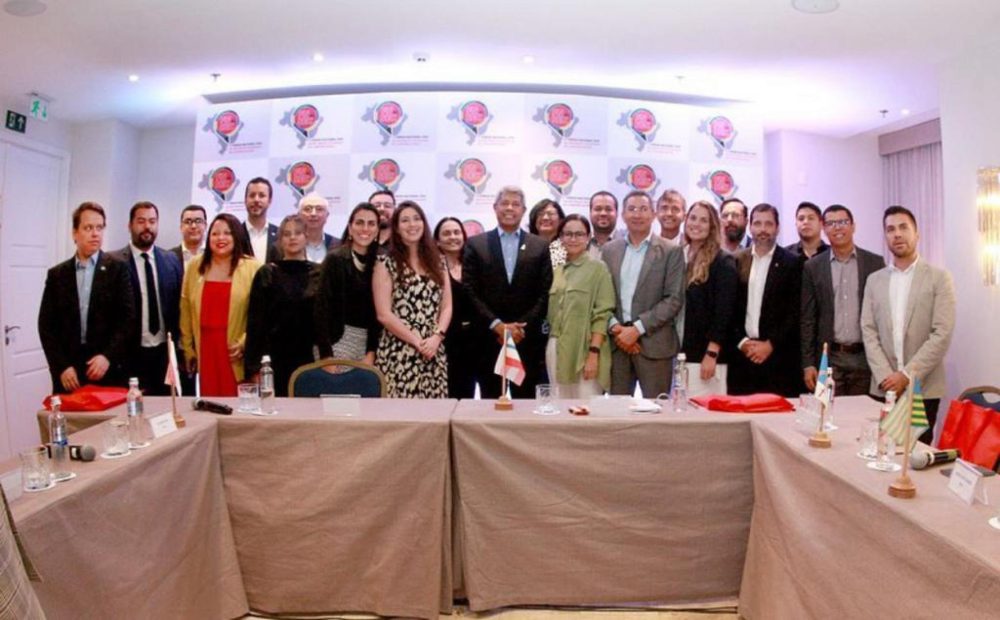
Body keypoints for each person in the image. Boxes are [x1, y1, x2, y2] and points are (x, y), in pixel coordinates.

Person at [861, 205, 955, 444]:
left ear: (917, 233)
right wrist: (887, 377)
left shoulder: (939, 278)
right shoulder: (874, 281)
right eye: (890, 229)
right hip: (884, 388)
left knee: (917, 456)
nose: (897, 234)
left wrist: (906, 376)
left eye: (903, 227)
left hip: (923, 387)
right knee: (881, 452)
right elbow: (868, 331)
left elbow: (942, 333)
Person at [464, 186, 553, 398]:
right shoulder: (476, 244)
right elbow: (470, 290)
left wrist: (520, 328)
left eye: (516, 204)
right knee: (491, 406)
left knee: (527, 407)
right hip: (489, 342)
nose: (510, 208)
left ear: (524, 210)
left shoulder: (539, 246)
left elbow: (545, 292)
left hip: (526, 341)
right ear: (495, 208)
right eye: (505, 203)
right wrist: (497, 326)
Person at [38, 202, 135, 393]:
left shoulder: (118, 269)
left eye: (99, 227)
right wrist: (62, 366)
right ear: (75, 233)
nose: (95, 234)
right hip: (69, 372)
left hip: (106, 368)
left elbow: (128, 319)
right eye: (88, 228)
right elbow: (46, 326)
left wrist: (107, 356)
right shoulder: (57, 275)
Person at [602, 190, 685, 398]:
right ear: (623, 215)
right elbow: (601, 296)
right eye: (631, 209)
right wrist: (615, 327)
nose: (637, 214)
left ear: (653, 214)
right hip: (617, 344)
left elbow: (673, 299)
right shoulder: (609, 250)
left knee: (657, 409)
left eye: (643, 209)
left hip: (655, 345)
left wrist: (637, 329)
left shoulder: (671, 251)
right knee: (617, 411)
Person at [801, 204, 884, 395]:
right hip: (830, 358)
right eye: (831, 223)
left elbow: (883, 315)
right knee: (830, 411)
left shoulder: (874, 263)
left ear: (853, 226)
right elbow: (808, 319)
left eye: (843, 222)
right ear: (824, 229)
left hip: (865, 358)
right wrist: (808, 363)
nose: (837, 227)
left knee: (864, 412)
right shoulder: (813, 267)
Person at [373, 201, 452, 398]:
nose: (412, 224)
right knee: (400, 412)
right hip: (399, 350)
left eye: (417, 219)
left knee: (434, 411)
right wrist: (417, 341)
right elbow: (383, 314)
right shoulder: (385, 263)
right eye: (405, 220)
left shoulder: (439, 261)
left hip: (433, 350)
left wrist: (436, 338)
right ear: (396, 228)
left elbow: (447, 306)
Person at [180, 213, 262, 396]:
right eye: (215, 233)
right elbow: (185, 309)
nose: (220, 238)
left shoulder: (253, 267)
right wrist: (188, 348)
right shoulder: (195, 265)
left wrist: (245, 342)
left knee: (237, 404)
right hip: (205, 348)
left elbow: (261, 315)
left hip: (235, 350)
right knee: (210, 403)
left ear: (237, 236)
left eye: (227, 233)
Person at [729, 203, 803, 396]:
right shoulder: (736, 260)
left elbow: (794, 312)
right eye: (757, 223)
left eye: (768, 224)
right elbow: (729, 309)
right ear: (750, 227)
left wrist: (770, 345)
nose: (763, 229)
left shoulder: (793, 263)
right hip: (741, 358)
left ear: (777, 228)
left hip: (778, 359)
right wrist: (742, 342)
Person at [244, 215, 319, 396]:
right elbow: (255, 324)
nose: (292, 238)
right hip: (273, 359)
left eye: (298, 233)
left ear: (307, 236)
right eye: (287, 234)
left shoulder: (319, 273)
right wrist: (254, 367)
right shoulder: (266, 273)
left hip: (309, 357)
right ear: (280, 239)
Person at [115, 201, 184, 395]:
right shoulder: (114, 262)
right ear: (130, 225)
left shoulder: (171, 260)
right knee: (134, 408)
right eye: (141, 221)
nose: (147, 227)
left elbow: (179, 306)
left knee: (167, 408)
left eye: (152, 221)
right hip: (130, 355)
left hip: (164, 354)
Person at [546, 215, 615, 397]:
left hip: (584, 349)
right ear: (560, 237)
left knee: (586, 408)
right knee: (559, 406)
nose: (573, 239)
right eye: (568, 234)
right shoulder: (556, 269)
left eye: (579, 234)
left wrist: (593, 353)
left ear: (588, 237)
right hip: (556, 347)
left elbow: (602, 315)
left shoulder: (598, 268)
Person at [680, 201, 738, 397]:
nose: (696, 224)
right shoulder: (680, 256)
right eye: (693, 218)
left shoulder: (723, 261)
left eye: (703, 220)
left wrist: (711, 353)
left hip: (706, 357)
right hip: (681, 354)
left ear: (713, 226)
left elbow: (724, 313)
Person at [315, 203, 382, 365]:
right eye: (359, 223)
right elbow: (321, 307)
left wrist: (372, 351)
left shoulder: (382, 262)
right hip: (335, 342)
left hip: (371, 345)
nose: (365, 228)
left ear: (377, 230)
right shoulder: (335, 259)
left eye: (371, 224)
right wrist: (326, 354)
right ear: (350, 228)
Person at [434, 216, 476, 398]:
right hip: (445, 340)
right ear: (437, 241)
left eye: (457, 232)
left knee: (468, 395)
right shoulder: (432, 268)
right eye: (446, 233)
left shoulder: (474, 265)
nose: (452, 237)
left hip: (474, 342)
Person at [243, 177, 279, 263]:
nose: (256, 200)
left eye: (262, 195)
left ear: (269, 201)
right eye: (252, 195)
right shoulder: (235, 234)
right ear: (245, 200)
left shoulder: (280, 234)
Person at [298, 192, 339, 263]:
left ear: (327, 215)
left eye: (319, 209)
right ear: (299, 215)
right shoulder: (288, 244)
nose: (313, 214)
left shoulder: (339, 245)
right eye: (307, 209)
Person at [528, 198, 567, 267]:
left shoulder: (568, 248)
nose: (545, 218)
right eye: (540, 214)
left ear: (561, 220)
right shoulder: (526, 246)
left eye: (550, 214)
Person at [587, 191, 620, 258]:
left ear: (617, 213)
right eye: (598, 209)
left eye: (608, 209)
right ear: (590, 213)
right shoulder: (581, 243)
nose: (603, 213)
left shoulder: (627, 244)